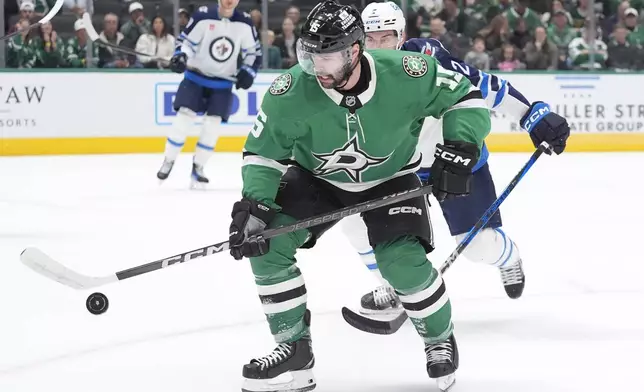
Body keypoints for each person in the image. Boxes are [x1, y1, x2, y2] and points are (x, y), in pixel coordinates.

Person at [228, 0, 494, 390]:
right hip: (317, 178)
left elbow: (465, 98)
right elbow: (263, 153)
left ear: (355, 51)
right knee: (268, 245)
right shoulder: (290, 91)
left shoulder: (405, 73)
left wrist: (460, 146)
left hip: (391, 178)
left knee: (400, 263)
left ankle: (439, 341)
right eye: (311, 56)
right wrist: (254, 204)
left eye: (329, 58)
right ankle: (294, 352)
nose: (318, 68)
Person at [347, 1, 569, 319]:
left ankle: (509, 258)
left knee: (478, 246)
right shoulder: (351, 73)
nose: (379, 45)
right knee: (356, 222)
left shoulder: (427, 59)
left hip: (457, 160)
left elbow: (479, 83)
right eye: (371, 38)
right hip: (400, 169)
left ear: (401, 35)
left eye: (386, 37)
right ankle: (395, 286)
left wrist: (530, 114)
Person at [156, 0, 261, 187]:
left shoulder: (244, 22)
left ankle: (198, 167)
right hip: (195, 78)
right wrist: (181, 56)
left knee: (212, 126)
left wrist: (248, 71)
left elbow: (254, 53)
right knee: (184, 118)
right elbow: (185, 42)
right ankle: (169, 159)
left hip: (222, 83)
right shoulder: (203, 16)